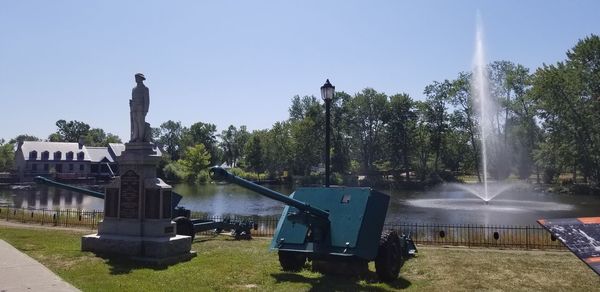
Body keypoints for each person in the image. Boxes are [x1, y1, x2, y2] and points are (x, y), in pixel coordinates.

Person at [130, 73, 150, 142]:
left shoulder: (145, 89)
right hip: (134, 108)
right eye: (135, 78)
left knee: (140, 123)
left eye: (137, 78)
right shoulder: (134, 89)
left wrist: (146, 110)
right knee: (135, 123)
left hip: (141, 108)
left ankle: (140, 138)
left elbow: (147, 100)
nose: (136, 79)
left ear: (141, 79)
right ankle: (135, 136)